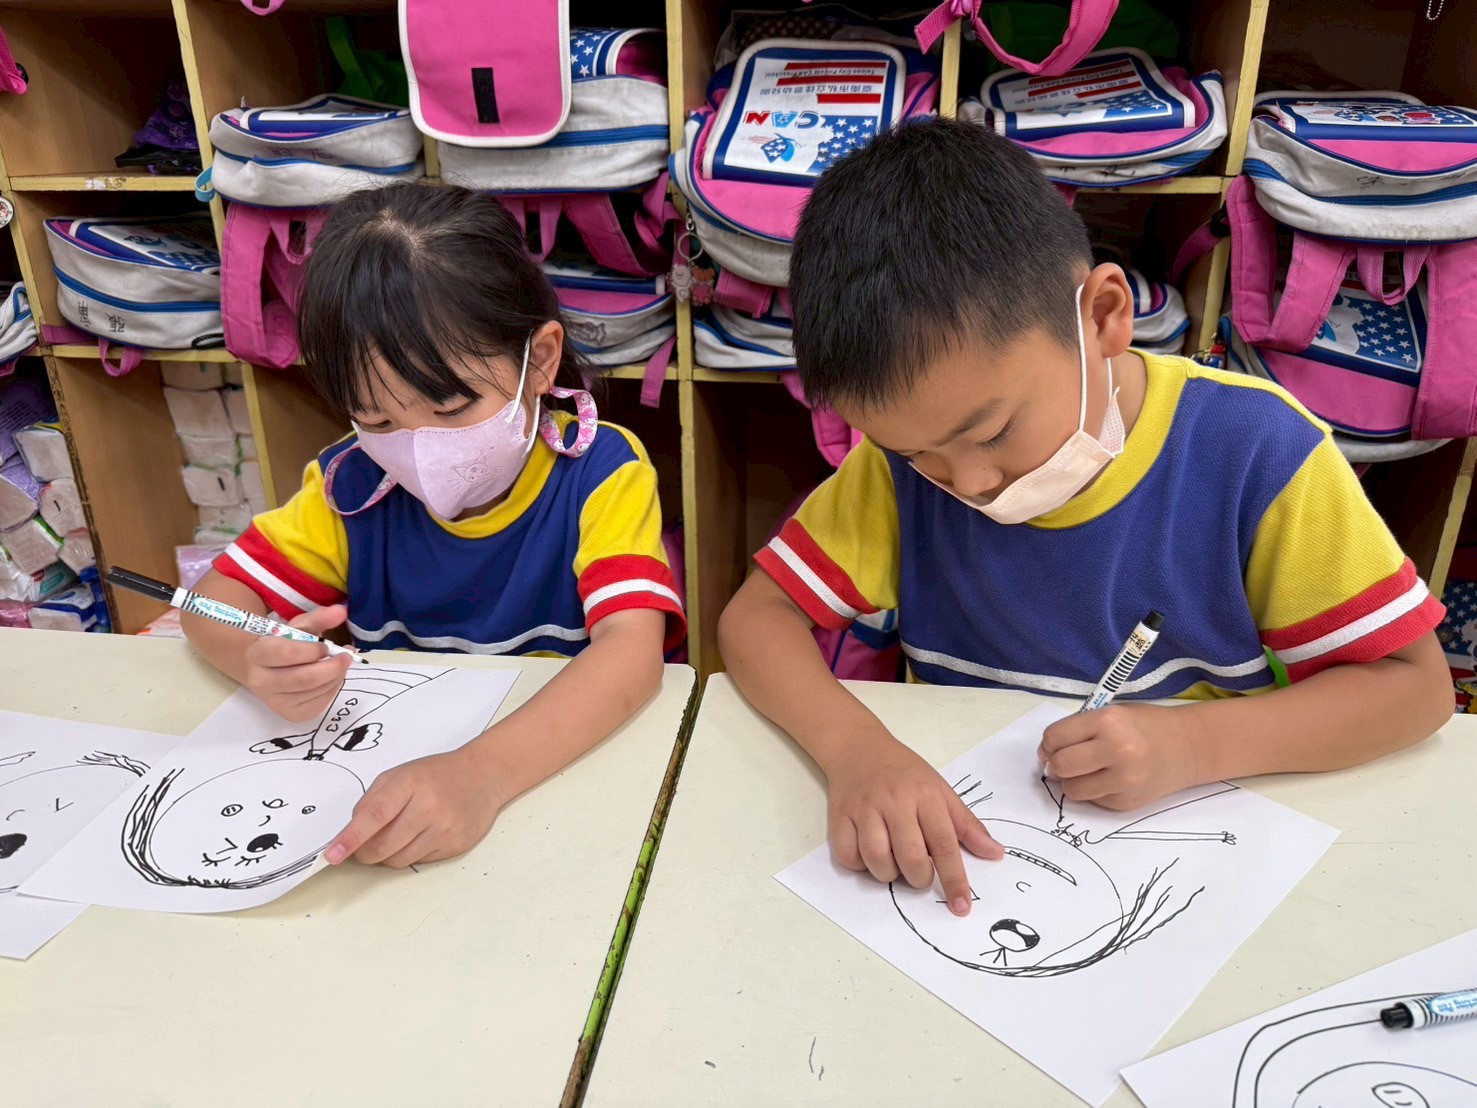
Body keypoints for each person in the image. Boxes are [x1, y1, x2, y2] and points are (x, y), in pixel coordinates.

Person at [717, 117, 1451, 919]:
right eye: (920, 453)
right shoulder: (899, 468)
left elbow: (1414, 691)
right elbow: (757, 616)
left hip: (1189, 851)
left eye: (992, 432)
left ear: (1102, 316)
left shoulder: (1254, 452)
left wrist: (1193, 744)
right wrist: (856, 751)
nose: (969, 483)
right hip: (978, 853)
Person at [183, 182, 683, 870]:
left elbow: (632, 650)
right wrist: (250, 653)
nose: (419, 448)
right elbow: (208, 603)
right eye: (379, 419)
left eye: (451, 409)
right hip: (402, 787)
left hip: (555, 780)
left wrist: (484, 774)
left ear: (539, 360)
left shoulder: (599, 471)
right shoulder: (350, 484)